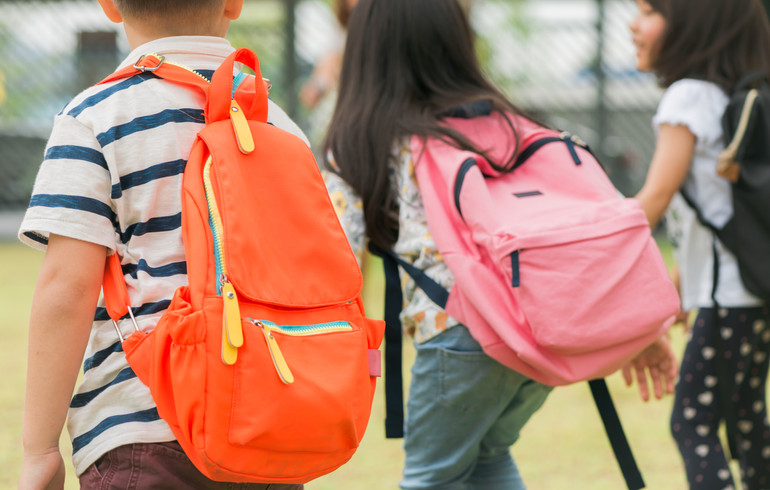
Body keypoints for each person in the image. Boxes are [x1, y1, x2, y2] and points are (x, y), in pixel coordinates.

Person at [323, 0, 675, 487]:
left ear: (367, 51)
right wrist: (634, 326)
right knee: (490, 455)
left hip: (459, 330)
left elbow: (336, 252)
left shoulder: (364, 138)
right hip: (534, 327)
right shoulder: (511, 122)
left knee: (430, 476)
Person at [17, 1, 307, 489]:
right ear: (234, 3)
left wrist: (40, 449)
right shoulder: (276, 124)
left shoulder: (94, 118)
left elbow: (67, 288)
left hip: (140, 428)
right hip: (263, 425)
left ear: (110, 5)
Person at [630, 0, 770, 487]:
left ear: (693, 22)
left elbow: (657, 195)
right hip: (750, 295)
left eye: (647, 12)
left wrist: (602, 254)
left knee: (693, 424)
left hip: (725, 300)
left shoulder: (687, 96)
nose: (634, 25)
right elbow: (715, 212)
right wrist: (677, 288)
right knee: (749, 425)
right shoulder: (732, 94)